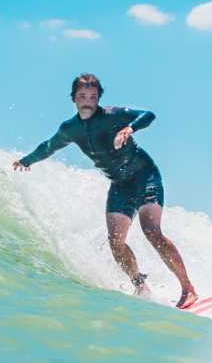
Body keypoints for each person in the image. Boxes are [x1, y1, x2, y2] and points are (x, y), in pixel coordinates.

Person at [13, 73, 198, 309]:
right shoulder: (70, 129)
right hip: (120, 185)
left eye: (92, 97)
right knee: (115, 241)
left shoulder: (113, 115)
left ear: (99, 98)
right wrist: (26, 161)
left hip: (145, 176)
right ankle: (140, 286)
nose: (88, 101)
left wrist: (130, 128)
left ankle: (188, 288)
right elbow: (48, 146)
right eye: (82, 96)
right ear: (73, 99)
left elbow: (149, 115)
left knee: (152, 232)